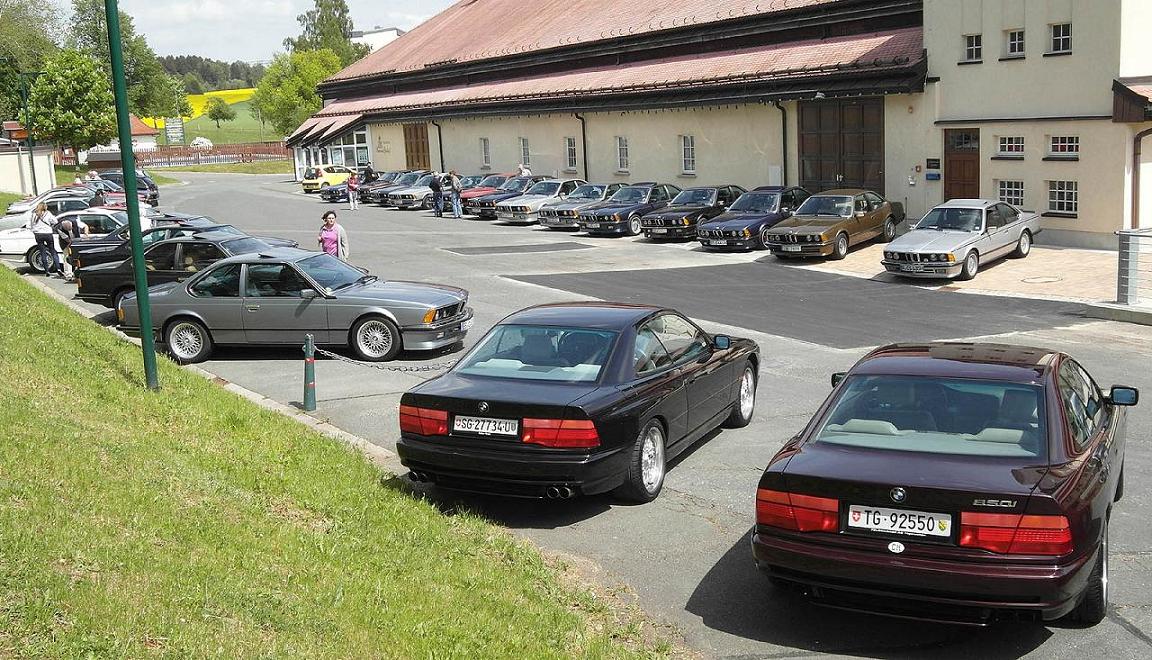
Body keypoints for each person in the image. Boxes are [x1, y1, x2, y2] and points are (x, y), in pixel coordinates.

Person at [27, 202, 60, 276]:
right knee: (52, 251)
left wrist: (34, 230)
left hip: (38, 234)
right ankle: (58, 268)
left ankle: (47, 271)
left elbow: (28, 225)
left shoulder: (33, 214)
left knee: (42, 252)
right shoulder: (48, 213)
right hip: (48, 234)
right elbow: (55, 221)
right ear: (45, 207)